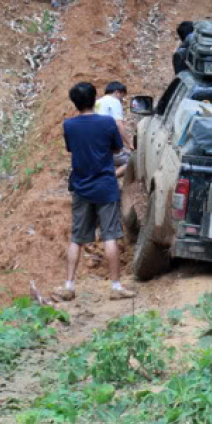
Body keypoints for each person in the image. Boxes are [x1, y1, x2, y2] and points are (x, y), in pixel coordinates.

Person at [61, 81, 134, 302]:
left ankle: (69, 285)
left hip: (81, 186)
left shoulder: (69, 125)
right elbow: (116, 148)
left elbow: (71, 149)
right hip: (105, 185)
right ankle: (115, 286)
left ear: (75, 103)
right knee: (110, 236)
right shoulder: (107, 123)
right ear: (95, 99)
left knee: (77, 238)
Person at [94, 80, 131, 179]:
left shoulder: (97, 103)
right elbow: (119, 124)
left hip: (93, 146)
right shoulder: (114, 101)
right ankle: (108, 180)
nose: (121, 100)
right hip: (105, 146)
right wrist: (130, 143)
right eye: (122, 96)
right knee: (131, 161)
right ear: (117, 92)